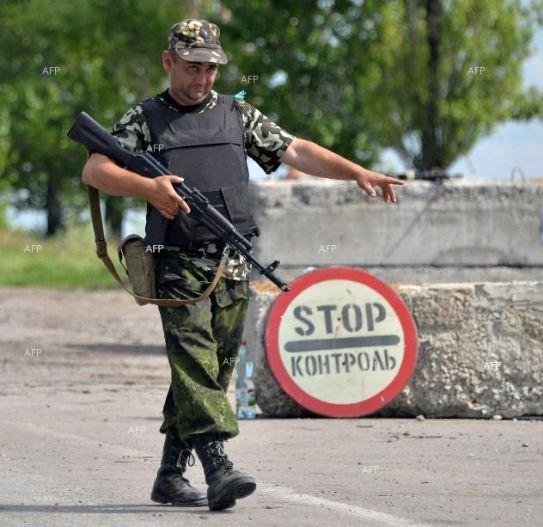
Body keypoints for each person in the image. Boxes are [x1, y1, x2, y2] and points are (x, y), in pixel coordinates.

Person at [81, 18, 403, 512]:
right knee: (193, 360)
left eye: (210, 68)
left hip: (232, 261)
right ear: (169, 62)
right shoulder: (146, 119)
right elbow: (95, 168)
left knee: (214, 370)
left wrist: (356, 171)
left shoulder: (237, 114)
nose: (202, 78)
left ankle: (169, 475)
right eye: (192, 67)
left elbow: (295, 150)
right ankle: (218, 468)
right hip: (177, 263)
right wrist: (150, 188)